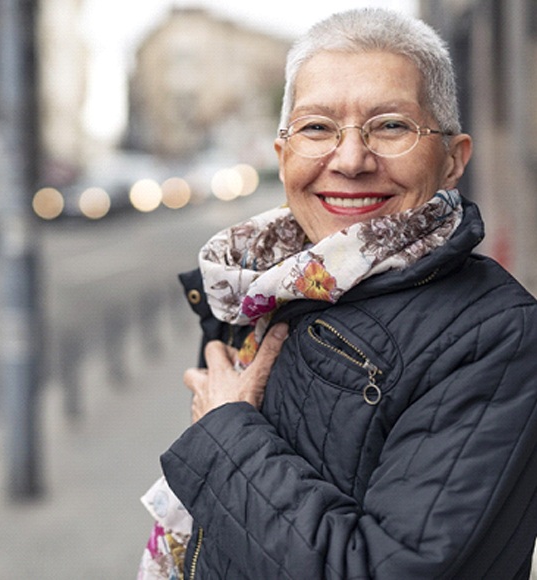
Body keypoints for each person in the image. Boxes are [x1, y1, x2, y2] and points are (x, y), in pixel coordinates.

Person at [140, 8, 537, 579]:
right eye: (317, 128)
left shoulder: (495, 334)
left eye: (391, 126)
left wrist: (224, 431)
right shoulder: (256, 284)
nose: (350, 160)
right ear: (283, 156)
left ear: (454, 159)